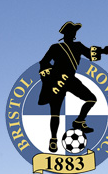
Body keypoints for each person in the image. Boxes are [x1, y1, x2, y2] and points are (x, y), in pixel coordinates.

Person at [38, 22, 104, 152]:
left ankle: (79, 121)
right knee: (55, 113)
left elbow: (91, 55)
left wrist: (104, 50)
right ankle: (53, 140)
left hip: (71, 79)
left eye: (74, 32)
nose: (73, 34)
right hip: (57, 82)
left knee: (91, 99)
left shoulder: (78, 46)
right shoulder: (55, 47)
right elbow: (44, 62)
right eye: (71, 31)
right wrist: (49, 76)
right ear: (66, 34)